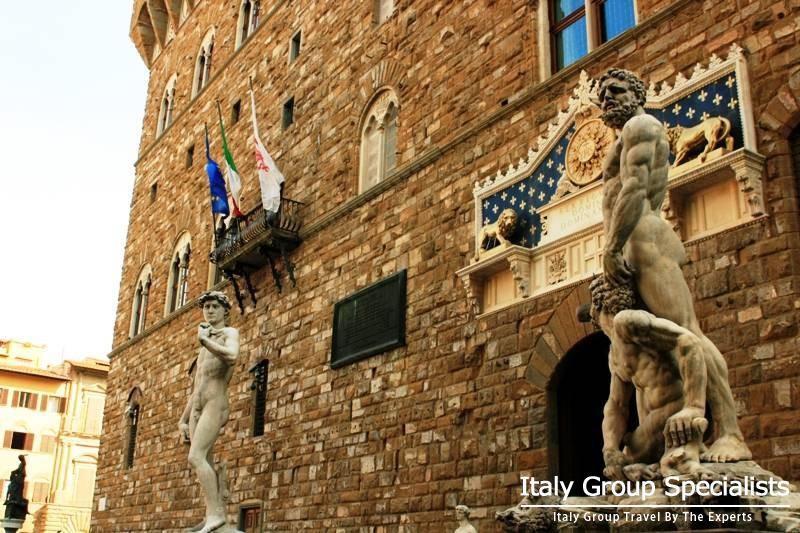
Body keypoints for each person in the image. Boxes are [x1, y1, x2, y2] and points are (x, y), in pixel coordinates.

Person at [598, 68, 750, 463]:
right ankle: (670, 446)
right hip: (631, 241)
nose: (606, 99)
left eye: (615, 90)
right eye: (602, 95)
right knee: (658, 344)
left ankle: (730, 431)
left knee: (687, 331)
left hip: (644, 238)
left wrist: (612, 247)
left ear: (636, 93)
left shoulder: (642, 125)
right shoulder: (621, 138)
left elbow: (633, 187)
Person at [590, 277, 710, 481]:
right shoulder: (614, 352)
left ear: (596, 307)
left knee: (630, 462)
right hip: (652, 425)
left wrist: (694, 407)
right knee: (625, 463)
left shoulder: (627, 321)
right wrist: (609, 449)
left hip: (676, 414)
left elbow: (689, 342)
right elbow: (616, 405)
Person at [179, 291, 240, 533]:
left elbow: (233, 356)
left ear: (225, 311)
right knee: (205, 462)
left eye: (214, 306)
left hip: (215, 402)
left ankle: (215, 515)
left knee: (196, 456)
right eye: (206, 307)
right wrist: (182, 420)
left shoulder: (228, 334)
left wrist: (205, 341)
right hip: (198, 406)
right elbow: (197, 385)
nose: (210, 311)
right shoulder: (205, 342)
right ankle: (213, 516)